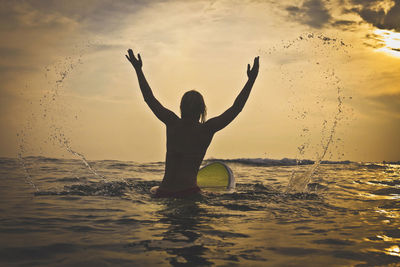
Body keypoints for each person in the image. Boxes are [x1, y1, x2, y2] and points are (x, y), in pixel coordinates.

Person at [125, 49, 259, 198]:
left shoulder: (172, 122)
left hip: (163, 192)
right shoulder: (207, 129)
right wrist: (251, 80)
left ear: (181, 107)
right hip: (188, 193)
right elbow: (236, 108)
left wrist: (138, 70)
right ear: (202, 110)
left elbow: (149, 98)